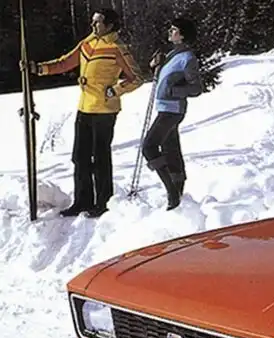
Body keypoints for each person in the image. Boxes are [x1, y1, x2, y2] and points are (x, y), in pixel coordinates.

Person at [21, 9, 144, 217]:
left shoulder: (117, 47)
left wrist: (115, 90)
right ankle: (82, 201)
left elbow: (137, 77)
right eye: (93, 21)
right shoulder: (88, 43)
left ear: (110, 25)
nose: (93, 25)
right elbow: (64, 62)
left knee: (100, 158)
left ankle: (103, 202)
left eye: (98, 22)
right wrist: (38, 68)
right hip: (84, 108)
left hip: (104, 110)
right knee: (80, 157)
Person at [142, 17, 203, 210]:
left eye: (174, 29)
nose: (170, 31)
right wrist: (155, 66)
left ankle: (172, 193)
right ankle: (177, 189)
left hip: (173, 110)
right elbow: (163, 78)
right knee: (171, 149)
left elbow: (196, 88)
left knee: (149, 147)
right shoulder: (172, 54)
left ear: (183, 35)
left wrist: (173, 91)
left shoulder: (188, 58)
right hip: (165, 108)